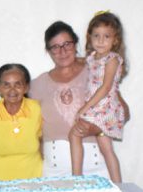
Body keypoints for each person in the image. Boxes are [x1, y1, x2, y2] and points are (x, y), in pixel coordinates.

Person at [30, 20, 127, 177]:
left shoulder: (96, 71)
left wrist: (98, 128)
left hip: (97, 170)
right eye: (55, 47)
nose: (62, 51)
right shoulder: (38, 84)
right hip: (54, 172)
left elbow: (123, 112)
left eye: (67, 44)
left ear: (76, 44)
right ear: (48, 51)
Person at [69, 12, 127, 182]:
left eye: (106, 36)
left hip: (104, 107)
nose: (101, 41)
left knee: (74, 134)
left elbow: (106, 87)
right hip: (98, 107)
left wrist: (84, 108)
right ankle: (118, 186)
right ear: (90, 37)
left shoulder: (112, 59)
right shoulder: (93, 58)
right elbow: (80, 62)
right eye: (96, 36)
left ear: (115, 40)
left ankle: (77, 180)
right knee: (106, 149)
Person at [0, 64, 42, 180]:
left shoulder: (38, 110)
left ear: (26, 87)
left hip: (33, 182)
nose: (12, 90)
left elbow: (44, 143)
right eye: (6, 85)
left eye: (18, 84)